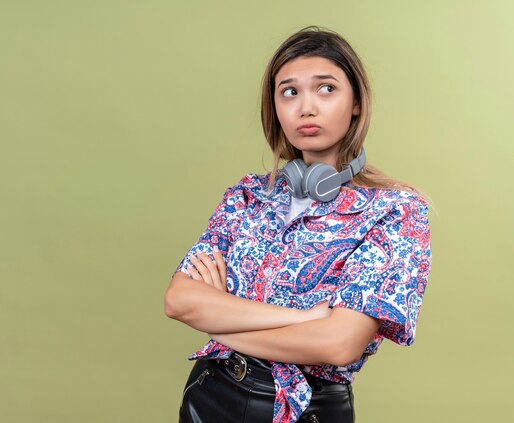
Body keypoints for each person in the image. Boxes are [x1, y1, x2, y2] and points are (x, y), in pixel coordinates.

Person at [164, 26, 432, 423]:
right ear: (275, 106)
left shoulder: (396, 211)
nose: (306, 107)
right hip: (210, 396)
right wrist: (306, 317)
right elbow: (180, 300)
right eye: (289, 92)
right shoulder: (247, 197)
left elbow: (339, 344)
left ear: (356, 102)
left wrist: (222, 320)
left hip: (308, 412)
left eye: (326, 89)